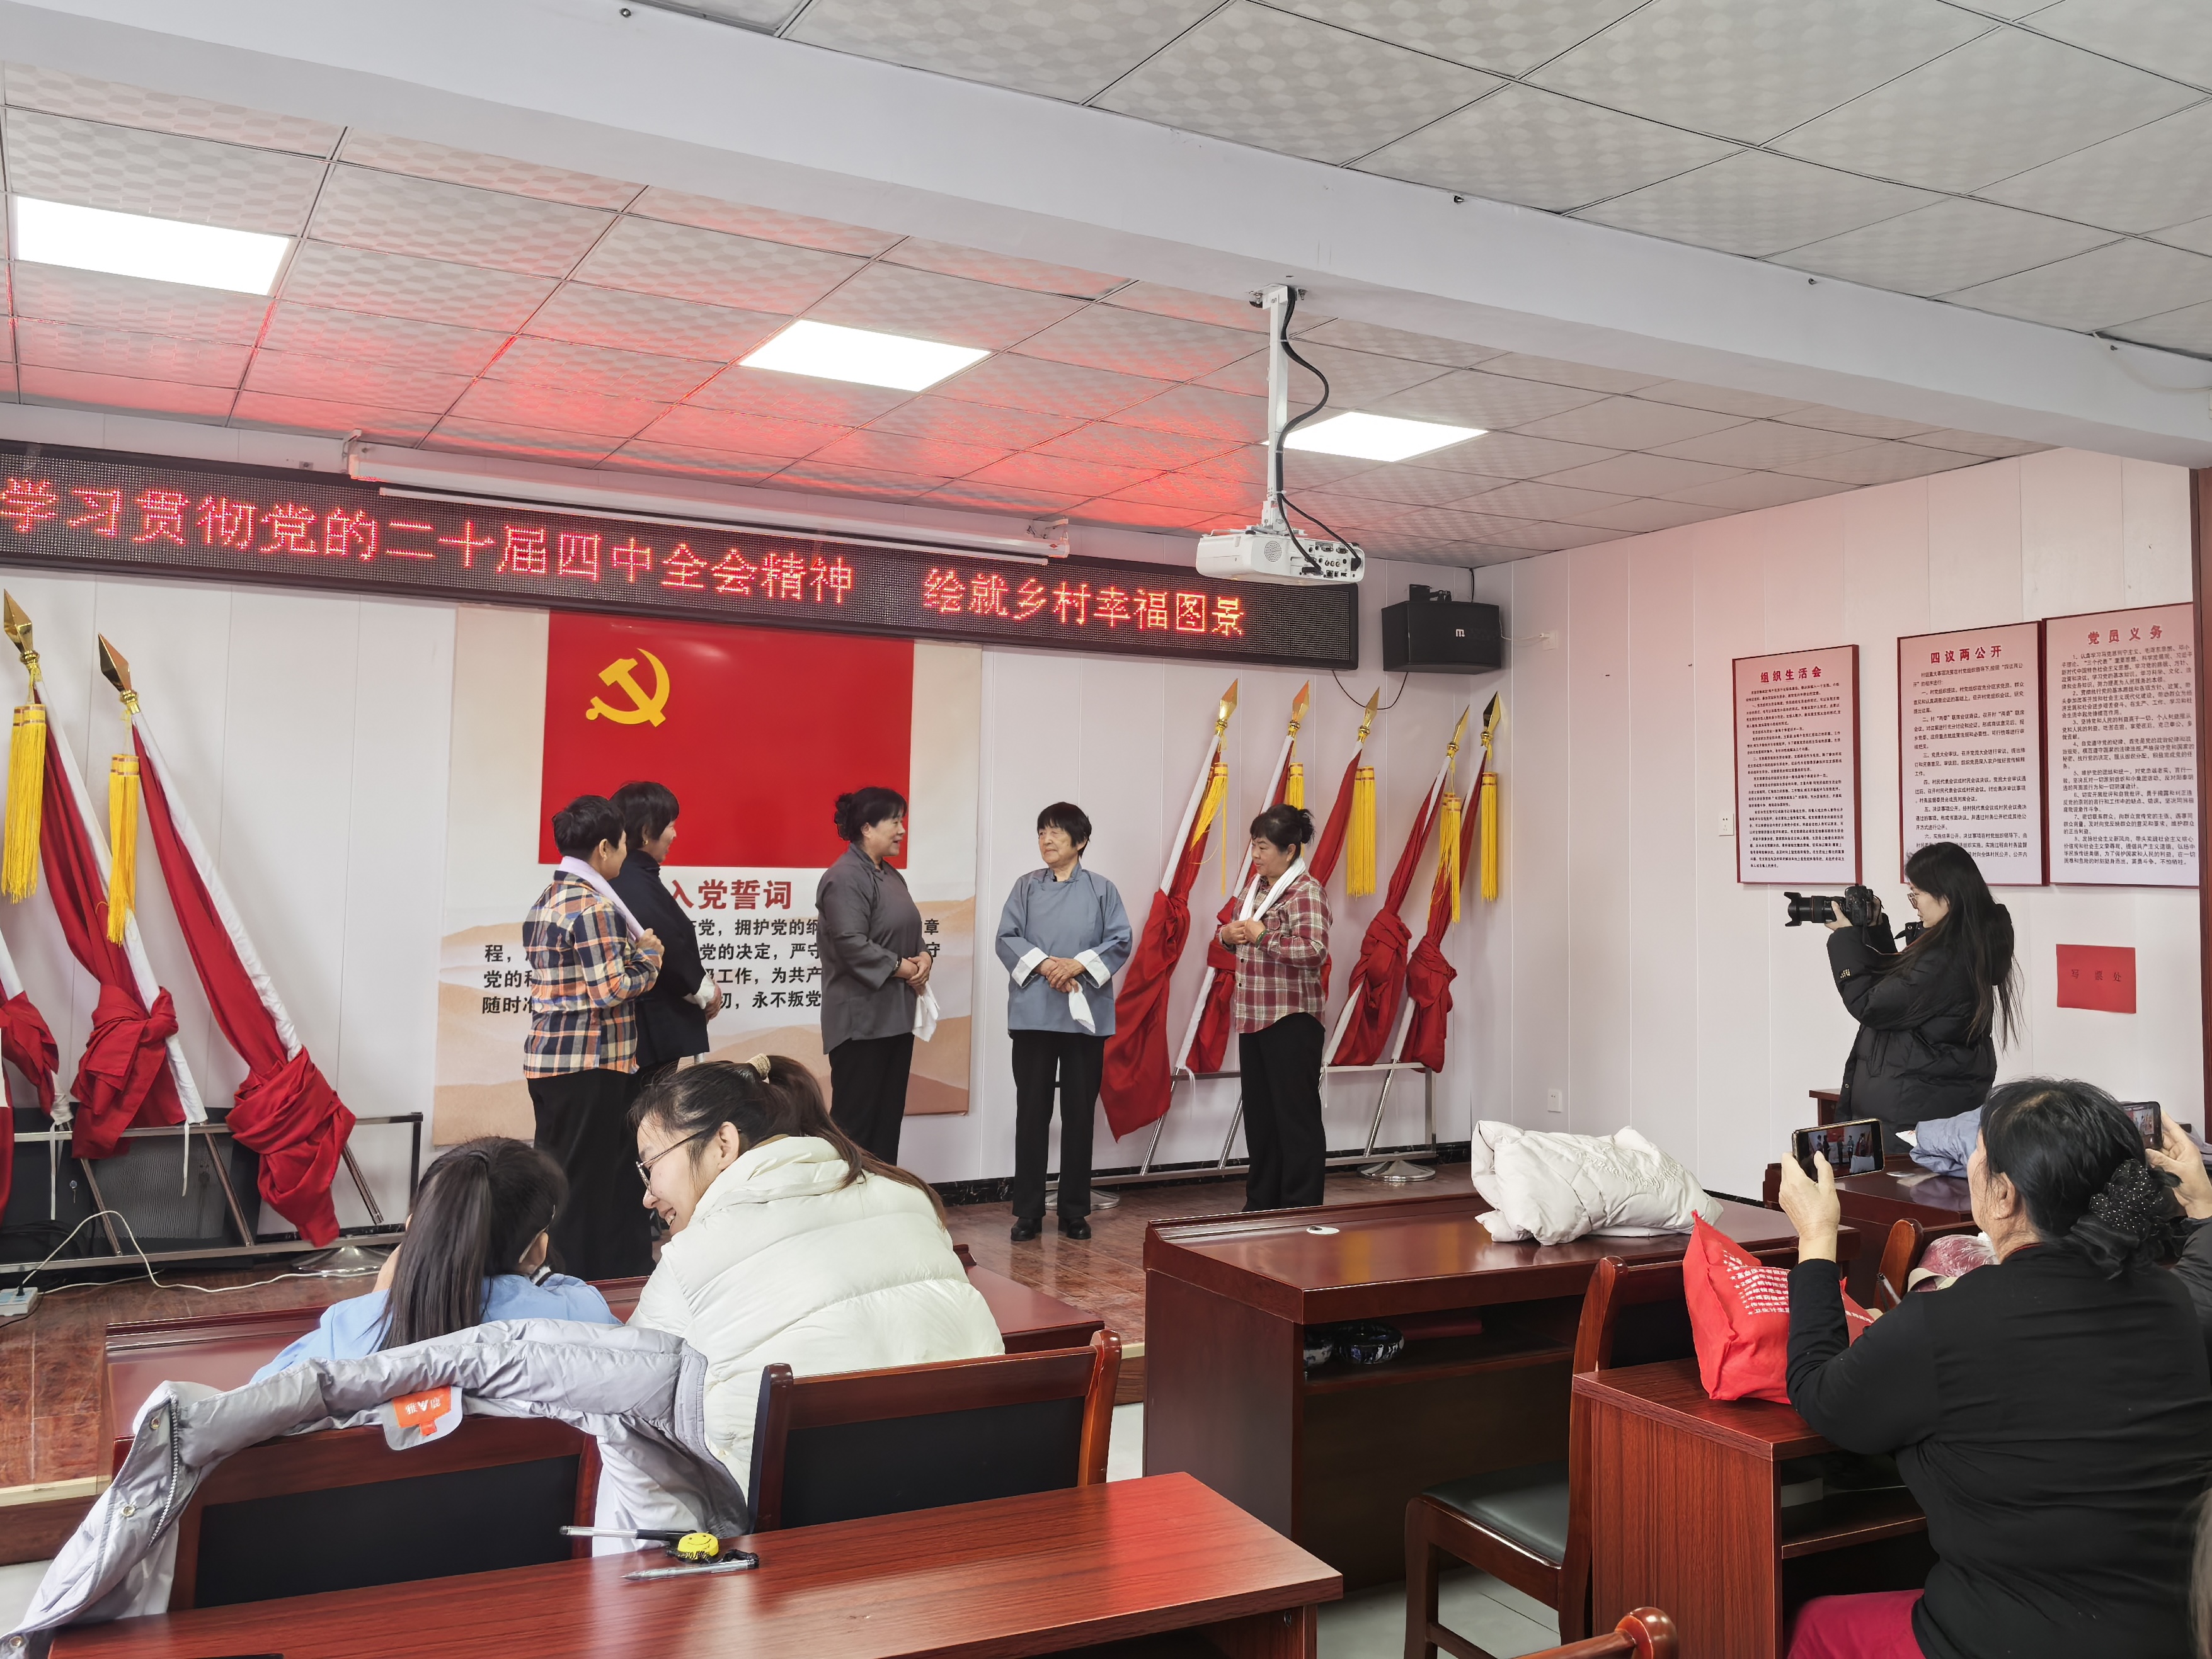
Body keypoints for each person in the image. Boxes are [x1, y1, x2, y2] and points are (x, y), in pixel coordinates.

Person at [1778, 1077, 2211, 1659]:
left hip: (2008, 1639)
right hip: (2174, 1632)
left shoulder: (1945, 1322)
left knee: (1812, 1626)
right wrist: (2203, 1208)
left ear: (2004, 1195)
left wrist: (1816, 1237)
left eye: (1976, 1155)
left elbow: (1818, 1393)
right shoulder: (2170, 1303)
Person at [626, 1056, 1000, 1487]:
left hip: (806, 1507)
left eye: (650, 1166)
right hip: (971, 1477)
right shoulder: (910, 1199)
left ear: (723, 1145)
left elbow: (630, 1399)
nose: (648, 1196)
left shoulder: (692, 1256)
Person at [250, 1138, 617, 1381]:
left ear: (414, 1230)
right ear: (538, 1250)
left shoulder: (345, 1333)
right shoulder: (583, 1316)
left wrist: (379, 1302)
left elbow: (260, 1399)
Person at [525, 795, 664, 1280]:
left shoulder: (546, 899)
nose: (625, 854)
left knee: (558, 1176)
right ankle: (578, 1279)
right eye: (622, 844)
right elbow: (610, 989)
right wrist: (649, 958)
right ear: (604, 848)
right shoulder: (594, 906)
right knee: (585, 1183)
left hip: (549, 1060)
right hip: (589, 1061)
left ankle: (553, 1272)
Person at [995, 802, 1132, 1243]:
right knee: (1032, 1112)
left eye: (1055, 832)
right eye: (1041, 832)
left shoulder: (1102, 889)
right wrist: (1046, 965)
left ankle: (1075, 1209)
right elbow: (1007, 938)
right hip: (1034, 1014)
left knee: (1078, 1114)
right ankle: (1028, 1212)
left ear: (1081, 841)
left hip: (1084, 1016)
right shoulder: (1025, 887)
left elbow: (1120, 940)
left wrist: (1077, 965)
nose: (1046, 840)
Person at [1825, 841, 2017, 1154]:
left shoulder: (1947, 958)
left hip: (1912, 1117)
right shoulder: (1963, 945)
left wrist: (1844, 940)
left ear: (1948, 896)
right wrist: (1875, 932)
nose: (1915, 903)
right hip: (1922, 1107)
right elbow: (1901, 988)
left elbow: (1871, 1004)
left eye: (1917, 893)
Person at [1217, 803, 1331, 1211]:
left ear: (1290, 850)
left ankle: (1300, 1205)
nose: (1255, 854)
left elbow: (1315, 951)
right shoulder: (1255, 888)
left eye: (1263, 847)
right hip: (1253, 1016)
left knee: (1295, 1117)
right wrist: (1227, 936)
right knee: (1261, 1117)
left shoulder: (1306, 890)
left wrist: (1262, 937)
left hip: (1291, 1020)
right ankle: (1261, 1203)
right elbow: (1238, 936)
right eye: (1253, 845)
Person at [816, 785, 930, 1163]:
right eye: (894, 822)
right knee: (856, 1125)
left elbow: (907, 930)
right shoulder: (844, 877)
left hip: (896, 1019)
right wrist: (901, 967)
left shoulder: (891, 876)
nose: (902, 830)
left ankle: (881, 1194)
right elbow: (849, 942)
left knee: (887, 1123)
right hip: (861, 1023)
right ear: (867, 828)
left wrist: (924, 957)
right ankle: (847, 1196)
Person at [610, 780, 720, 1085]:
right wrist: (703, 990)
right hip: (647, 1031)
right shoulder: (634, 880)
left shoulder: (630, 876)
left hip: (642, 1030)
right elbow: (666, 945)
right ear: (647, 831)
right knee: (645, 1110)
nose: (675, 835)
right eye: (671, 825)